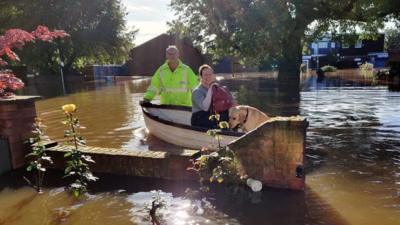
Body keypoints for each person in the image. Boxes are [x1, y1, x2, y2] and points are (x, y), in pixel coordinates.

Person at [191, 64, 233, 128]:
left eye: (210, 74)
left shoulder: (216, 89)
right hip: (199, 119)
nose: (208, 77)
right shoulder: (197, 91)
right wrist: (211, 88)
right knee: (225, 115)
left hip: (211, 116)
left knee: (232, 113)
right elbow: (205, 107)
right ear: (200, 76)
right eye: (205, 75)